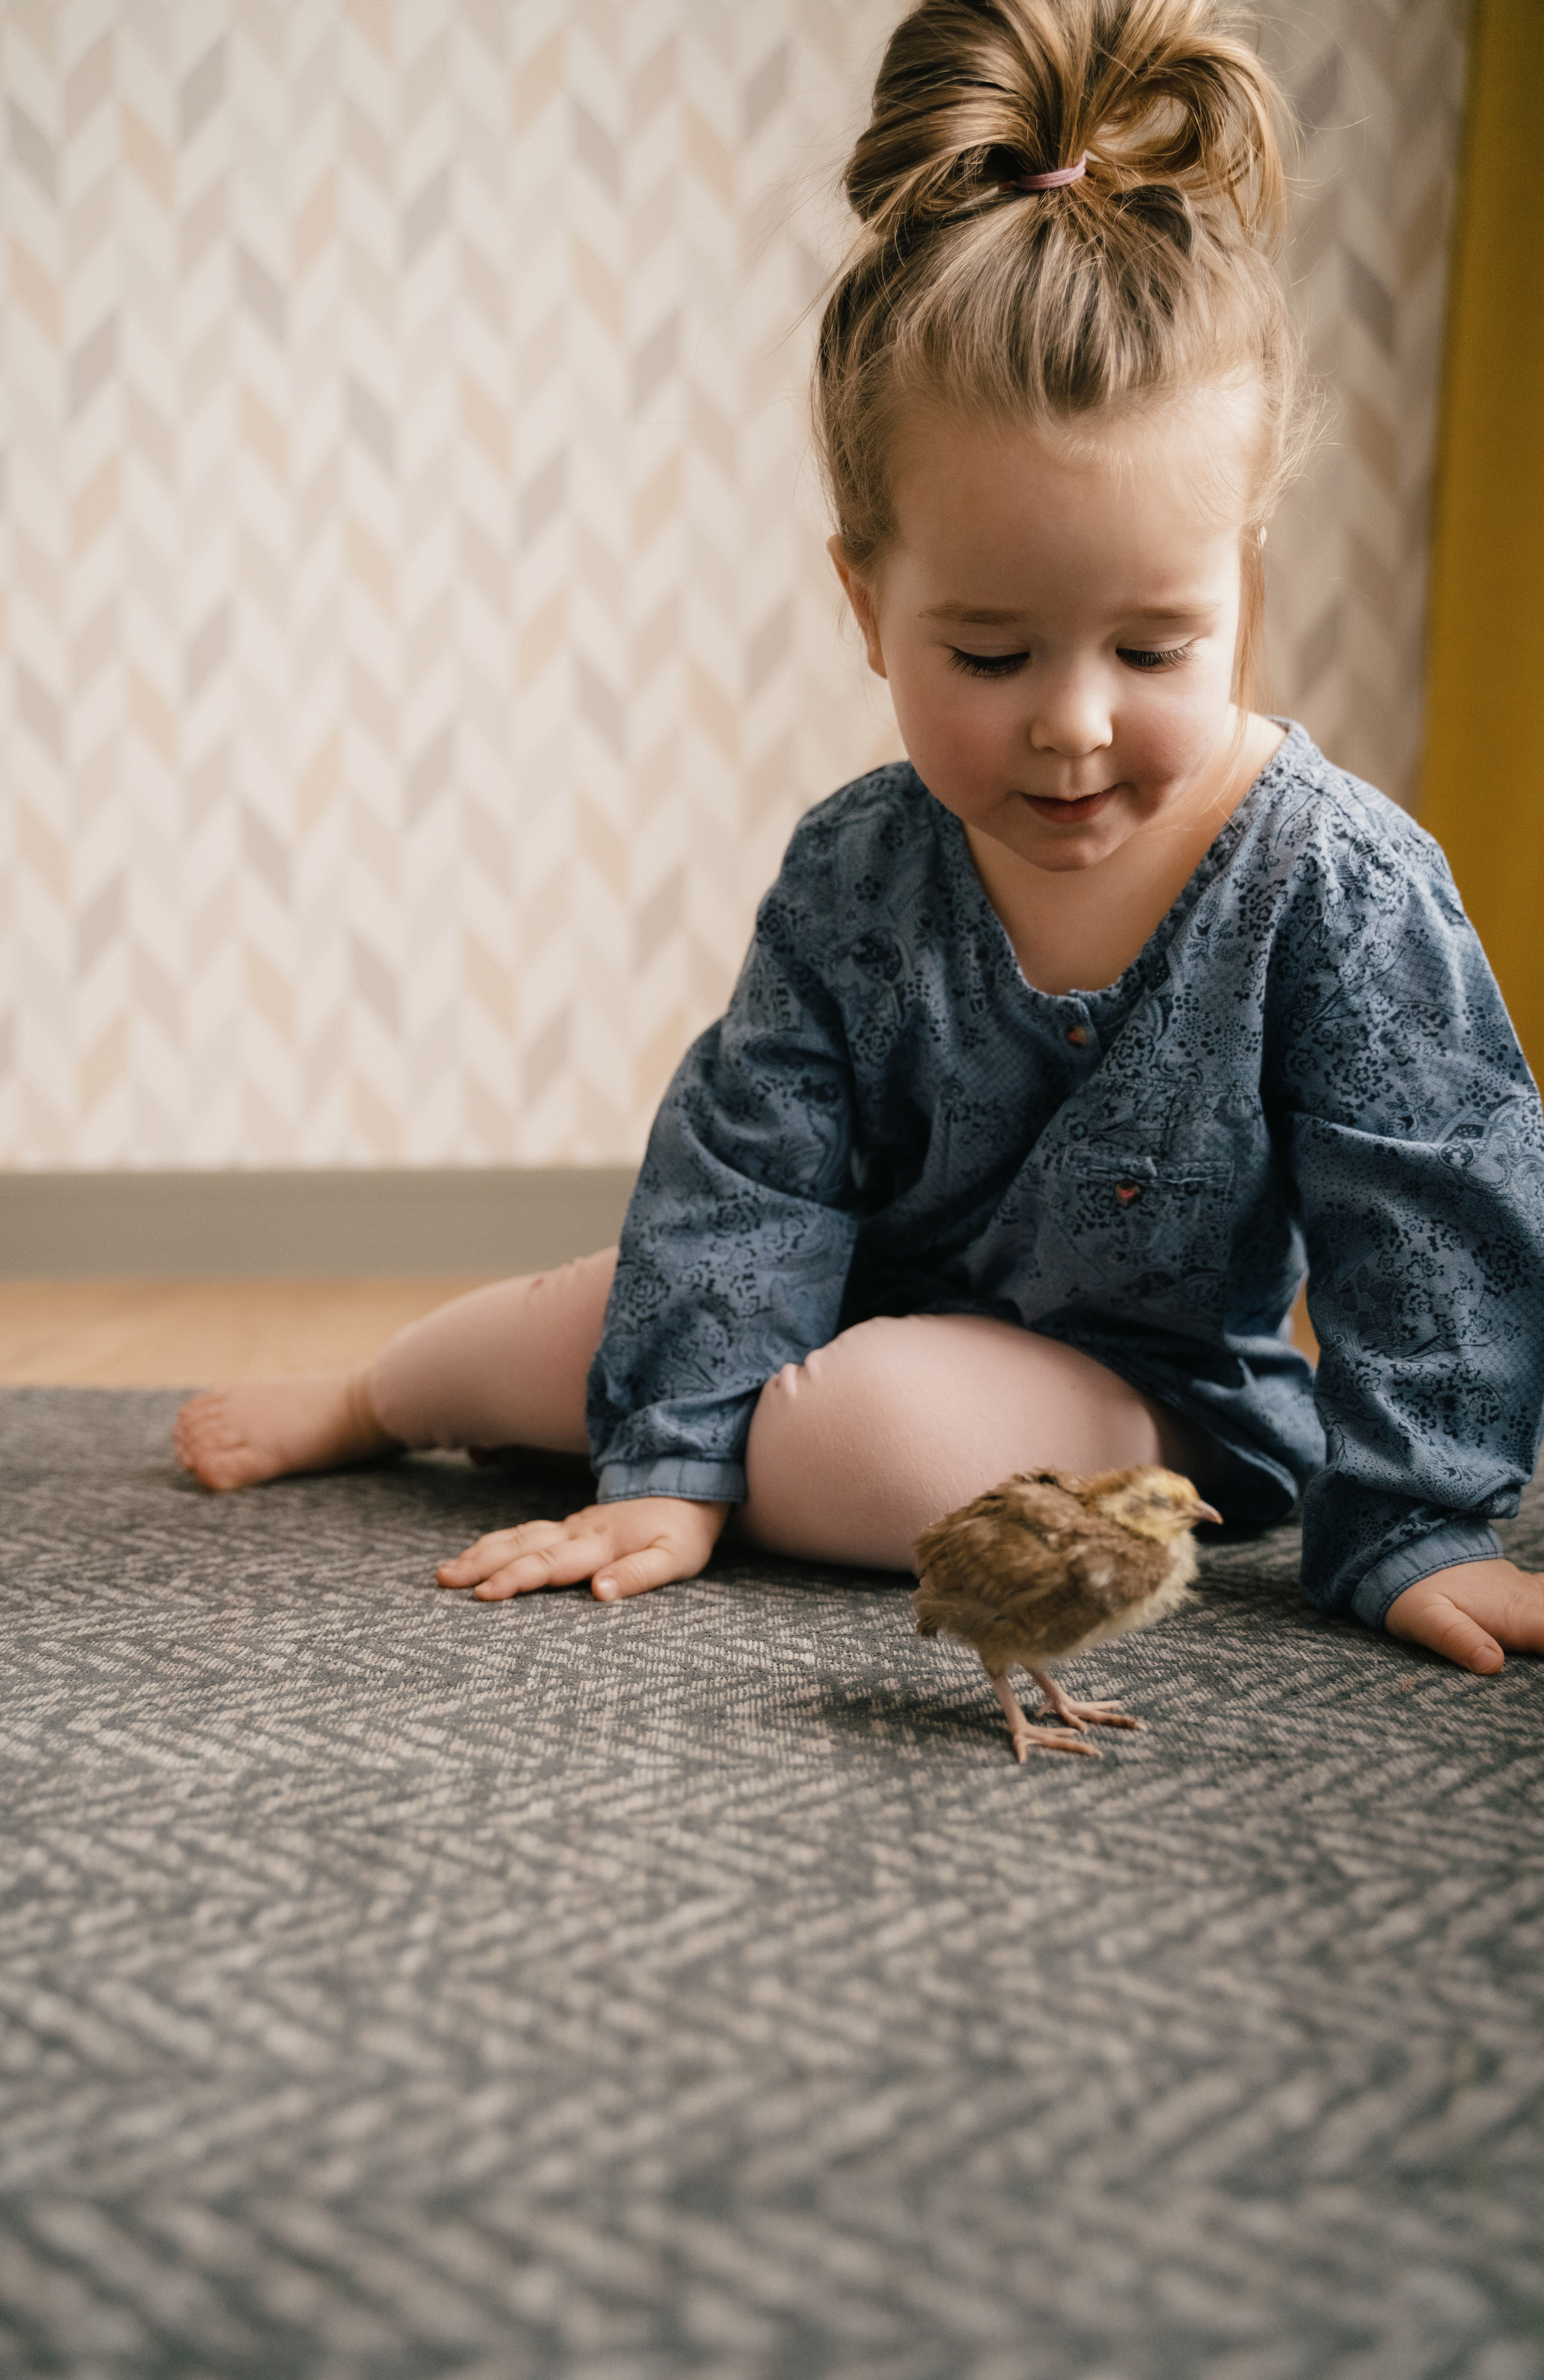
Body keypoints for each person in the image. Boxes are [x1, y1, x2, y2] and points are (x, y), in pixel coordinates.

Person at [175, 0, 1544, 1676]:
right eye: (989, 654)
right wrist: (671, 1469)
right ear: (865, 604)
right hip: (833, 1289)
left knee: (863, 1433)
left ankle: (744, 1413)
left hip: (1151, 1401)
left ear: (1243, 588)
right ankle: (382, 1394)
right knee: (613, 1311)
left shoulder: (1333, 880)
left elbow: (1437, 1211)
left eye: (1155, 647)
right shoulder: (858, 867)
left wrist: (1421, 1518)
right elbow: (751, 1162)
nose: (1074, 723)